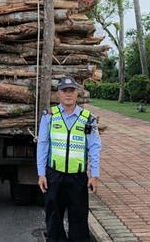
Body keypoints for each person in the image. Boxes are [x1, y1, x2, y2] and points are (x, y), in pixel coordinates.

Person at [36, 76, 102, 242]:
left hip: (78, 177)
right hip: (54, 175)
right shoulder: (49, 115)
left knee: (79, 218)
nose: (68, 94)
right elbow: (43, 144)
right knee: (54, 217)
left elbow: (94, 146)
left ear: (77, 93)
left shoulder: (88, 118)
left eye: (71, 90)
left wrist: (94, 175)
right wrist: (41, 173)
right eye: (64, 91)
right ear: (58, 93)